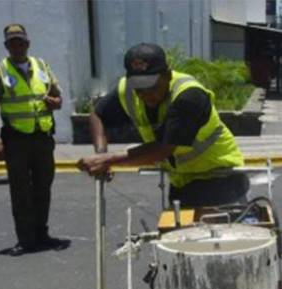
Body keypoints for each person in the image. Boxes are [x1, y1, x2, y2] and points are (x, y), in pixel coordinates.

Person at [78, 43, 247, 208]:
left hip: (220, 178)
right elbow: (98, 114)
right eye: (139, 89)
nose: (146, 94)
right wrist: (101, 154)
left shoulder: (189, 95)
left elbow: (164, 148)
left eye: (152, 87)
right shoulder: (127, 90)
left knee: (209, 226)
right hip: (181, 182)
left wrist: (107, 160)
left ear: (167, 75)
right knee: (176, 226)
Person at [0, 24, 67, 256]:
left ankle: (42, 234)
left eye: (20, 42)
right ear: (6, 46)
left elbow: (58, 98)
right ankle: (26, 239)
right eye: (12, 43)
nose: (17, 46)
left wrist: (55, 103)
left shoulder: (42, 66)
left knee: (43, 187)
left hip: (42, 138)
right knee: (21, 192)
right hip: (16, 139)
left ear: (28, 44)